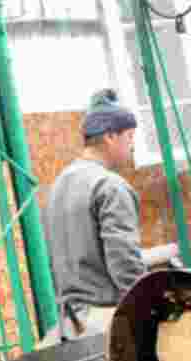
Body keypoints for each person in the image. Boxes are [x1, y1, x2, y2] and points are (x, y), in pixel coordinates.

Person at [39, 88, 150, 347]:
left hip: (70, 327)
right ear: (111, 136)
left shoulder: (58, 187)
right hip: (107, 321)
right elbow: (124, 262)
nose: (132, 146)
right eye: (130, 137)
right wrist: (149, 309)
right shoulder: (110, 186)